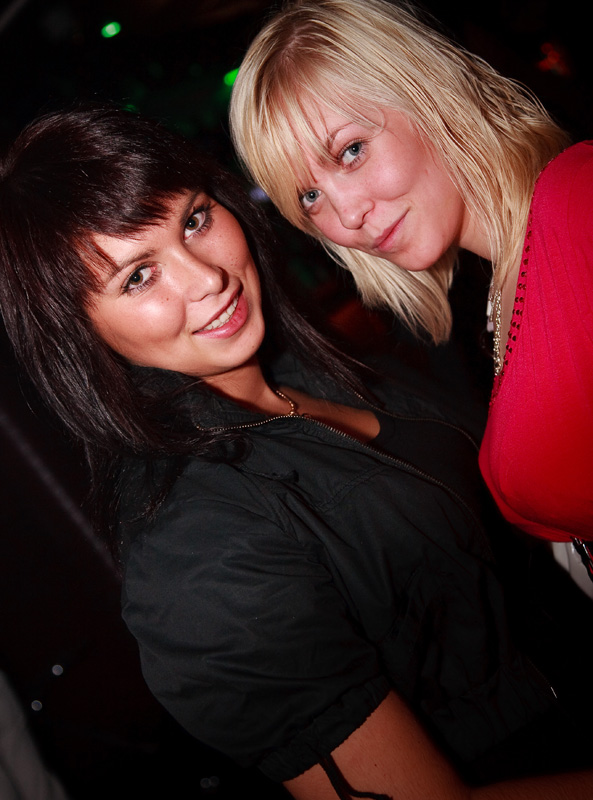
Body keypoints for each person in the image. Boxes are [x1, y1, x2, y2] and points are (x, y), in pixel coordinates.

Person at [1, 105, 592, 800]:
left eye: (194, 220)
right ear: (76, 333)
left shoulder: (307, 370)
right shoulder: (194, 552)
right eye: (137, 277)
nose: (206, 277)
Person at [229, 0, 593, 548]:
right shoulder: (493, 293)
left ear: (427, 94)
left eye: (351, 151)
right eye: (309, 196)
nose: (347, 215)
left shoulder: (579, 204)